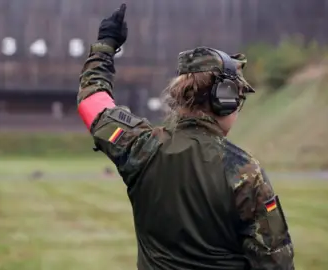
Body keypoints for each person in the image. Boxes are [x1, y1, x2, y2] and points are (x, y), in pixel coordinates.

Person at [77, 3, 295, 270]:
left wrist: (105, 46)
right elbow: (277, 263)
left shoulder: (139, 147)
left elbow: (92, 101)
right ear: (223, 100)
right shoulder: (245, 172)